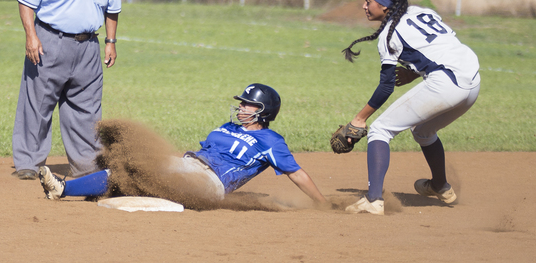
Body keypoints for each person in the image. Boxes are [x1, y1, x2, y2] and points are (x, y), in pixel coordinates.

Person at [38, 84, 328, 207]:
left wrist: (323, 204)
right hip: (189, 164)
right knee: (130, 167)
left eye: (248, 104)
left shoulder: (271, 141)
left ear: (262, 111)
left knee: (144, 176)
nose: (240, 108)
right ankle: (68, 188)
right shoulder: (227, 127)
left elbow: (297, 173)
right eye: (240, 103)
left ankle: (67, 189)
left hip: (211, 183)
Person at [338, 0, 480, 215]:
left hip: (447, 83)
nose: (364, 6)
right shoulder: (421, 12)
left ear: (384, 6)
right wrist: (415, 73)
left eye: (368, 1)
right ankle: (440, 186)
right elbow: (442, 47)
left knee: (380, 129)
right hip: (472, 83)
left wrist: (359, 119)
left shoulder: (388, 36)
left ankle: (374, 200)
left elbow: (385, 87)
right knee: (423, 130)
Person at [11, 0, 121, 180]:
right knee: (38, 105)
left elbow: (112, 8)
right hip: (49, 41)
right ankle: (28, 162)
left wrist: (110, 41)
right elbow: (26, 1)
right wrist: (31, 36)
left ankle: (86, 165)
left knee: (87, 109)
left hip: (88, 47)